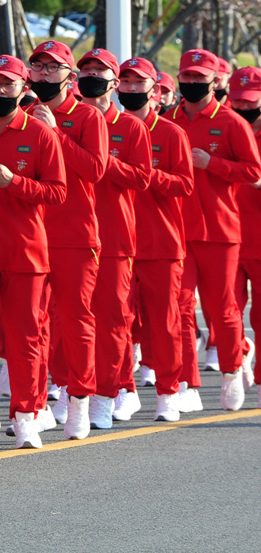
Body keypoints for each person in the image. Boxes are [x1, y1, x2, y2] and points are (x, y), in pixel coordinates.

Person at [0, 55, 67, 450]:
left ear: (24, 89)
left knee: (25, 337)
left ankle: (27, 413)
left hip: (25, 250)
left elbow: (57, 192)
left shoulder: (40, 133)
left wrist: (14, 182)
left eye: (7, 84)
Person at [168, 49, 261, 410]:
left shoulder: (232, 123)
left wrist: (213, 164)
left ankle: (231, 370)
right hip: (176, 229)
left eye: (198, 77)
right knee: (178, 305)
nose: (191, 83)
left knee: (222, 309)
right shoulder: (167, 120)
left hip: (220, 230)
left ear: (214, 81)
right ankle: (187, 383)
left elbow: (253, 172)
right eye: (186, 77)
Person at [27, 40, 107, 437]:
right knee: (30, 323)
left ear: (70, 76)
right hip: (30, 235)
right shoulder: (23, 114)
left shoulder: (88, 116)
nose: (43, 75)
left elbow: (95, 170)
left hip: (75, 235)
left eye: (51, 68)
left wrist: (55, 133)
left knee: (76, 320)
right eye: (37, 68)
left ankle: (80, 399)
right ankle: (37, 401)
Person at [73, 50, 152, 429]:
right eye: (85, 71)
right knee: (69, 319)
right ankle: (74, 392)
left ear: (113, 80)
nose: (91, 77)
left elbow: (141, 178)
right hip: (68, 232)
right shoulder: (61, 121)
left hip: (114, 235)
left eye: (98, 72)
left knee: (112, 318)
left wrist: (101, 158)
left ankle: (111, 391)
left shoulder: (132, 127)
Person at [116, 58, 195, 420]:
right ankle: (122, 388)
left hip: (161, 242)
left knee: (164, 323)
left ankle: (168, 391)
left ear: (155, 91)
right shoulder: (107, 128)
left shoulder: (171, 132)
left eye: (139, 83)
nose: (131, 89)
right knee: (117, 320)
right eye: (126, 82)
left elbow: (185, 184)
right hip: (118, 240)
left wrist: (148, 176)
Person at [227, 66, 261, 401]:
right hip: (225, 235)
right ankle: (236, 360)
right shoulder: (225, 127)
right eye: (238, 101)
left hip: (259, 237)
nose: (245, 108)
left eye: (251, 103)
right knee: (226, 310)